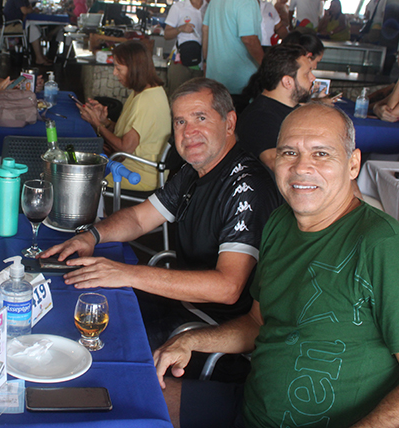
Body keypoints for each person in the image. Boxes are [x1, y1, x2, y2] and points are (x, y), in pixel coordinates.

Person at [154, 103, 399, 428]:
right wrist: (191, 341)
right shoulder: (280, 222)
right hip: (251, 406)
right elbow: (257, 323)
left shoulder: (386, 248)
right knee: (129, 401)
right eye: (289, 153)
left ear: (353, 165)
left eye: (321, 154)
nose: (301, 167)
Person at [41, 78, 280, 347]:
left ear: (230, 122)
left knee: (99, 339)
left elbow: (228, 287)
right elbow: (138, 218)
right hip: (179, 303)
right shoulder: (193, 172)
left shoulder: (248, 187)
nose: (188, 131)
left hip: (211, 328)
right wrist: (91, 236)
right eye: (180, 122)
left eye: (200, 118)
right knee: (80, 304)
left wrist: (126, 273)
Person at [78, 41, 171, 191]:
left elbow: (125, 148)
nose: (115, 73)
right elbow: (132, 133)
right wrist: (105, 122)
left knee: (82, 177)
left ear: (134, 69)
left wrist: (97, 125)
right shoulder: (146, 92)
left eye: (118, 68)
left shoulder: (146, 100)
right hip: (133, 166)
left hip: (138, 174)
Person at [203, 0, 266, 109]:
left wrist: (206, 62)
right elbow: (249, 39)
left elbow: (205, 30)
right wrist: (266, 66)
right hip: (240, 84)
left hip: (215, 81)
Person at [237, 45, 315, 170]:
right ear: (287, 82)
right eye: (306, 74)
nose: (313, 78)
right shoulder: (260, 117)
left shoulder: (288, 108)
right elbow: (273, 161)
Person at [165, 0, 208, 95]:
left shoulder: (209, 8)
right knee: (176, 96)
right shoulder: (179, 7)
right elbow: (167, 35)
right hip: (180, 63)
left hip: (201, 63)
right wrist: (180, 29)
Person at [4, 0, 53, 66]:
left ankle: (41, 56)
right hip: (11, 24)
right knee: (34, 29)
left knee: (36, 27)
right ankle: (39, 59)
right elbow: (25, 11)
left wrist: (30, 10)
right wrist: (31, 10)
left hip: (19, 22)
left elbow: (29, 8)